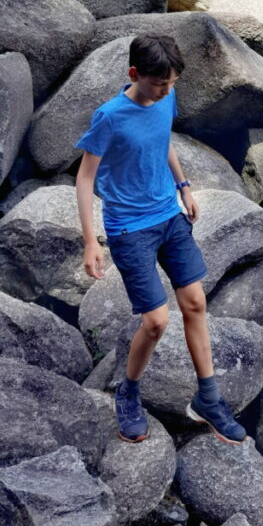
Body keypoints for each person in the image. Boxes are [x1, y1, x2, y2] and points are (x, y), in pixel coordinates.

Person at [76, 33, 246, 445]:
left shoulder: (165, 97)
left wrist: (184, 185)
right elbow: (84, 178)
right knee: (155, 321)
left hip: (168, 215)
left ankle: (208, 398)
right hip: (129, 227)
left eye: (172, 84)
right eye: (159, 84)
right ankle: (128, 393)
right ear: (135, 73)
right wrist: (90, 241)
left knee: (195, 302)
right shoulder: (110, 117)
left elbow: (163, 140)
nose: (168, 91)